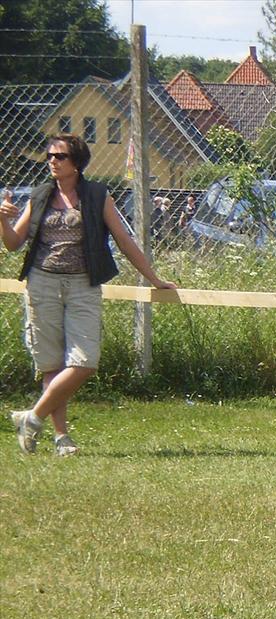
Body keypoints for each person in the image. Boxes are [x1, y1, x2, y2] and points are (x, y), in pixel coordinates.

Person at [1, 133, 176, 455]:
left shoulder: (97, 196)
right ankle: (61, 439)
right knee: (52, 365)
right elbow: (13, 243)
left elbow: (124, 241)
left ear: (77, 163)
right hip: (42, 285)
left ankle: (32, 417)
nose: (52, 161)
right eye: (49, 155)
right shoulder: (39, 196)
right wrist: (1, 219)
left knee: (84, 363)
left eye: (60, 156)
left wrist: (154, 278)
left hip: (83, 286)